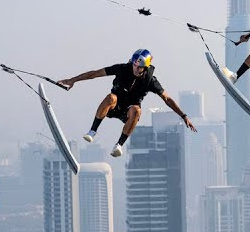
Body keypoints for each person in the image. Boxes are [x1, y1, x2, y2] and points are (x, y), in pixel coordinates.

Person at [58, 48, 197, 158]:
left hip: (129, 112)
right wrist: (72, 80)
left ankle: (119, 145)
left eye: (139, 67)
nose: (135, 69)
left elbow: (167, 99)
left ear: (145, 68)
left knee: (137, 111)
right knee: (111, 97)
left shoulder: (151, 81)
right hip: (114, 106)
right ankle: (92, 131)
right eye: (134, 65)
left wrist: (184, 116)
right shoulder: (122, 68)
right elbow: (94, 74)